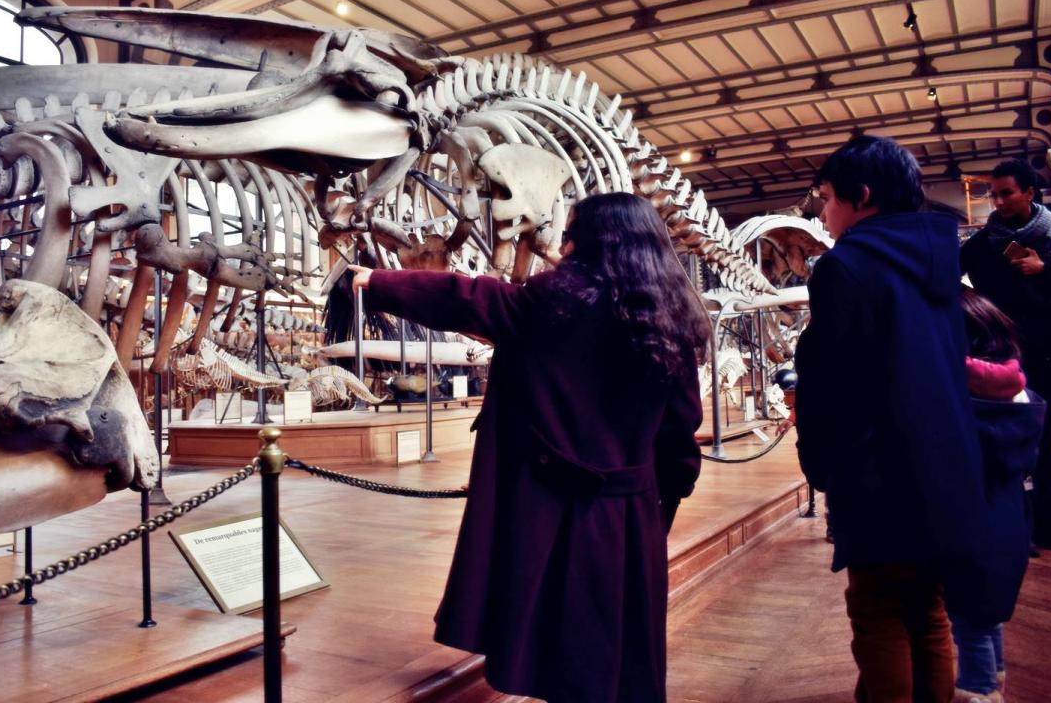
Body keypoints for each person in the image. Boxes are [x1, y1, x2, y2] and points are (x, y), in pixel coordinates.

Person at [350, 192, 709, 703]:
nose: (562, 244)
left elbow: (473, 297)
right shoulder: (672, 313)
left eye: (571, 232)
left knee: (566, 643)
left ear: (589, 238)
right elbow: (681, 426)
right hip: (630, 511)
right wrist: (664, 499)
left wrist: (382, 281)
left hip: (558, 509)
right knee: (620, 644)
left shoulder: (556, 298)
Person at [794, 135, 988, 703]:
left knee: (878, 615)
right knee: (928, 612)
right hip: (946, 467)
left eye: (828, 198)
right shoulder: (934, 258)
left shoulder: (845, 267)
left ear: (863, 196)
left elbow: (839, 384)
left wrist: (828, 466)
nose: (823, 214)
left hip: (881, 473)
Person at [945, 289, 1044, 703]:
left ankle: (980, 690)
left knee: (970, 622)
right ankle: (994, 681)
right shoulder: (1018, 398)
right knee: (987, 617)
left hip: (973, 530)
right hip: (1010, 526)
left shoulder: (968, 411)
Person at [960, 158, 1051, 550]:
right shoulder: (983, 247)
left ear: (1030, 193)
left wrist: (1047, 268)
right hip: (1017, 358)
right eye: (993, 194)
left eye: (1007, 193)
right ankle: (1032, 528)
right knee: (1027, 445)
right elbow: (946, 272)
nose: (997, 202)